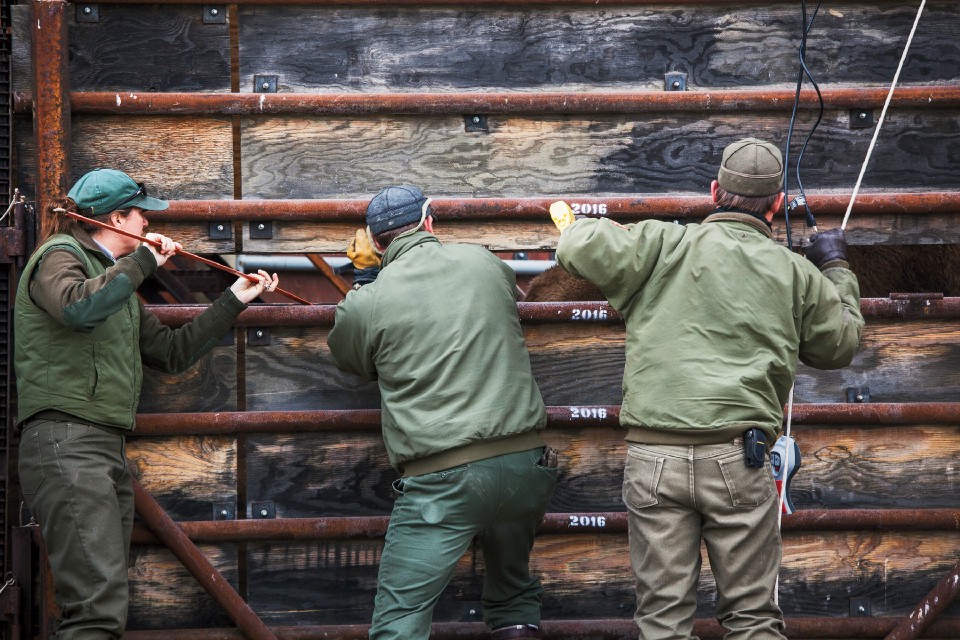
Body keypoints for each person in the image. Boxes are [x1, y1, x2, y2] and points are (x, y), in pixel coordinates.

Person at [552, 138, 864, 639]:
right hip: (740, 463)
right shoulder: (795, 273)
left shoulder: (661, 243)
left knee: (662, 624)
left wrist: (589, 224)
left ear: (714, 191)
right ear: (777, 205)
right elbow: (841, 344)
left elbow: (575, 245)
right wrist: (837, 267)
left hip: (653, 463)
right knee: (753, 620)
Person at [15, 168, 280, 640]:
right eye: (141, 216)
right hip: (67, 444)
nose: (147, 226)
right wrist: (142, 263)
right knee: (96, 611)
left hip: (100, 448)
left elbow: (172, 353)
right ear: (115, 219)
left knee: (101, 605)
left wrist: (234, 299)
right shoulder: (60, 255)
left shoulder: (118, 286)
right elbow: (77, 307)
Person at [327, 185, 558, 640]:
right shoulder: (485, 262)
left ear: (375, 243)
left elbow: (351, 360)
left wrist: (365, 279)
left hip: (443, 480)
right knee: (513, 599)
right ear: (430, 221)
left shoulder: (368, 300)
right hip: (524, 467)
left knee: (400, 620)